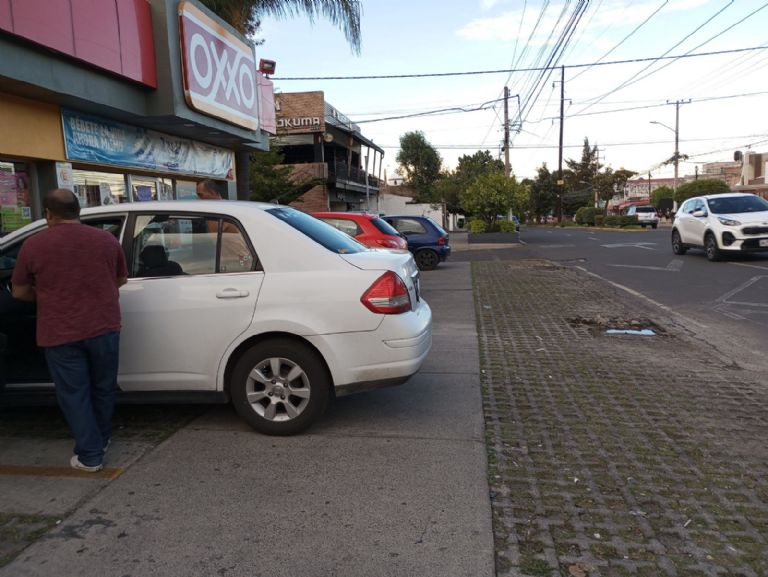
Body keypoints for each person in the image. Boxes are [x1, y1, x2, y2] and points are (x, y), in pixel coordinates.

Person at [11, 189, 128, 472]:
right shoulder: (106, 240)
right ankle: (101, 440)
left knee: (75, 394)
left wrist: (47, 296)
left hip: (60, 331)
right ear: (79, 211)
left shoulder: (34, 245)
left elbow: (18, 291)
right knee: (102, 387)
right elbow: (121, 279)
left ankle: (90, 455)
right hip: (104, 326)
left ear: (48, 214)